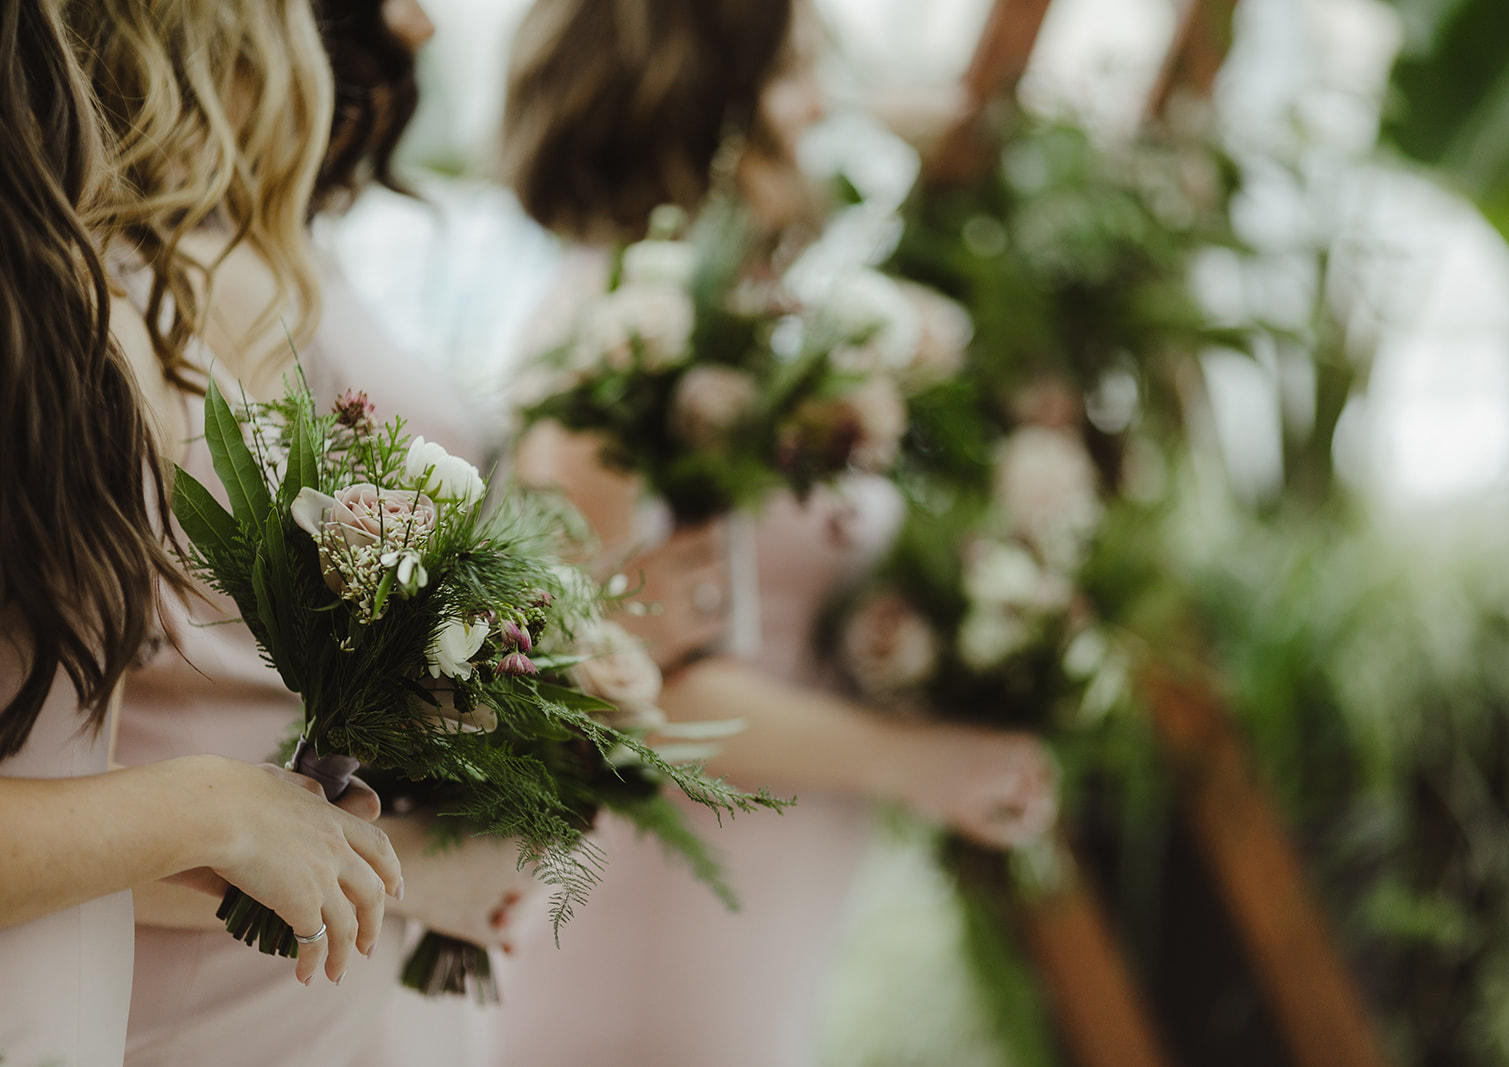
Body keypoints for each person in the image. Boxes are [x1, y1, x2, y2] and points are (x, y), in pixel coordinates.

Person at [495, 3, 1058, 1063]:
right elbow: (607, 679)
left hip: (764, 905)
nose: (820, 106)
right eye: (792, 72)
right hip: (645, 908)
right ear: (691, 98)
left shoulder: (763, 332)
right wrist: (922, 760)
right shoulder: (609, 336)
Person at [0, 4, 402, 1064]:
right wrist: (205, 805)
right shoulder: (92, 321)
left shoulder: (72, 307)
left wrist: (276, 833)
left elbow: (64, 766)